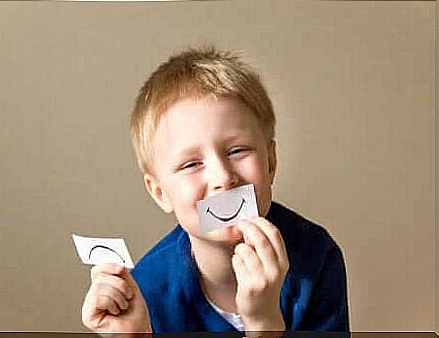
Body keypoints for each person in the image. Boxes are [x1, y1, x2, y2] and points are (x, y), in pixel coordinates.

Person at [81, 46, 350, 334]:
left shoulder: (316, 258)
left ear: (270, 162)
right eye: (191, 164)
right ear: (159, 192)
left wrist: (264, 322)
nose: (223, 177)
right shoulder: (147, 292)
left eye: (237, 150)